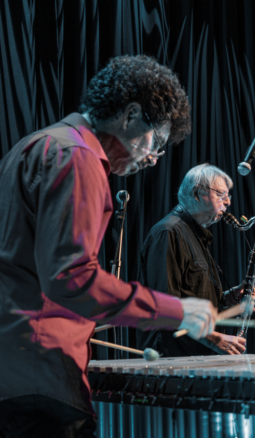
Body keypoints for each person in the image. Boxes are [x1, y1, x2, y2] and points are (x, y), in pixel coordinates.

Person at [0, 55, 218, 437]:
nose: (152, 159)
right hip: (42, 378)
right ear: (131, 115)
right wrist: (174, 310)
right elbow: (71, 279)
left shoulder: (31, 147)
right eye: (156, 143)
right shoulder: (78, 158)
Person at [137, 163, 255, 357]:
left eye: (228, 196)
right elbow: (165, 304)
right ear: (197, 193)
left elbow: (194, 299)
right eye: (221, 195)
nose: (228, 202)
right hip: (171, 359)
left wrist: (230, 298)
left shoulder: (196, 235)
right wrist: (214, 338)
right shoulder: (168, 232)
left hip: (195, 357)